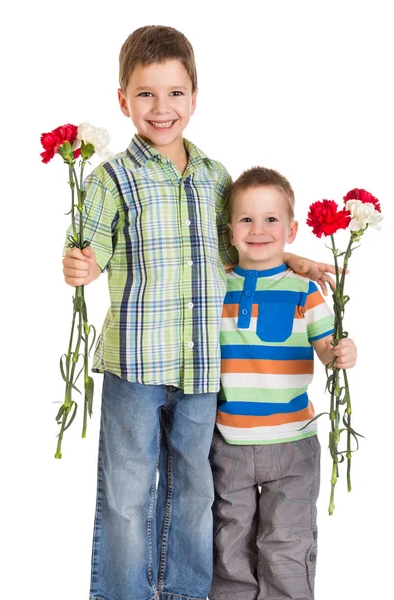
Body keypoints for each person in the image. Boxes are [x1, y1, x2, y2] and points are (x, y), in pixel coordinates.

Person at [62, 26, 339, 600]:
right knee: (128, 493)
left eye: (175, 93)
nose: (161, 108)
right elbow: (91, 249)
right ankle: (124, 594)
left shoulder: (215, 177)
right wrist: (80, 265)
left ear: (194, 96)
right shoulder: (110, 178)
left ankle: (187, 592)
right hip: (135, 362)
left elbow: (233, 244)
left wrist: (289, 255)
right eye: (145, 94)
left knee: (195, 490)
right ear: (123, 101)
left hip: (202, 370)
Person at [209, 167, 357, 600]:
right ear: (230, 231)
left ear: (291, 229)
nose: (258, 230)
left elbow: (328, 347)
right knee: (229, 545)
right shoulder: (216, 286)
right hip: (228, 442)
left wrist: (342, 353)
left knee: (286, 544)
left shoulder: (303, 291)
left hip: (292, 443)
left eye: (271, 219)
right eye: (247, 220)